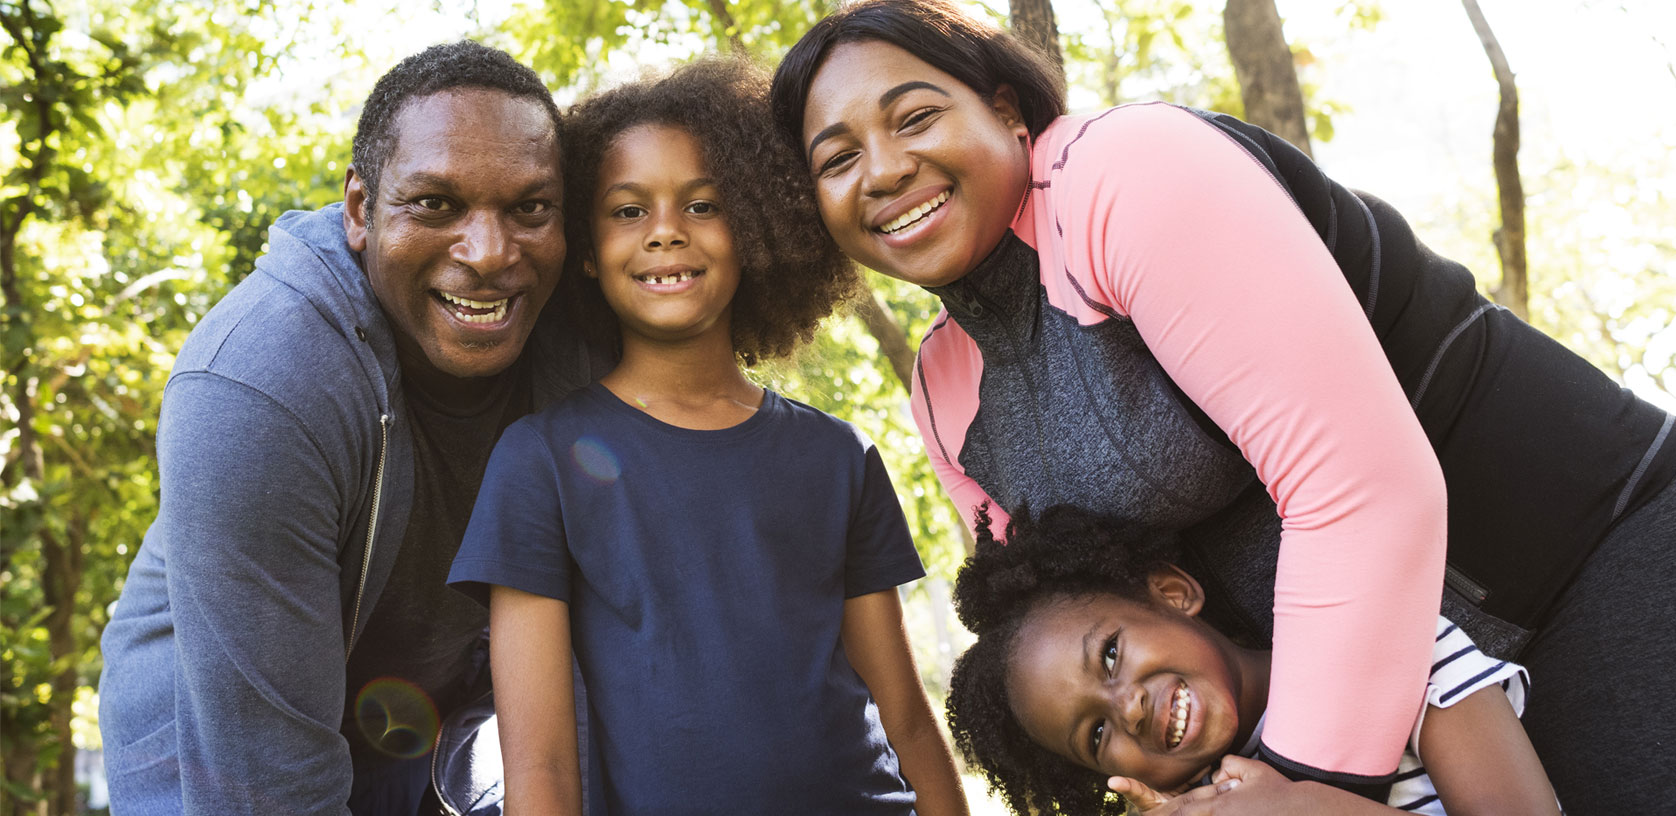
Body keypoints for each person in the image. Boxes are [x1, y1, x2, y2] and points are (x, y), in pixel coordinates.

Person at [768, 1, 1676, 811]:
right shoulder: (944, 387)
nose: (883, 170)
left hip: (1576, 569)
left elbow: (1360, 488)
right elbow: (1053, 634)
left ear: (1006, 108)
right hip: (1374, 740)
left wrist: (1301, 792)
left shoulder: (1123, 173)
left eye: (916, 116)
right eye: (837, 159)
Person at [444, 58, 968, 816]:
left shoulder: (837, 456)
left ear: (751, 227)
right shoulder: (541, 462)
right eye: (628, 211)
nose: (665, 232)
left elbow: (908, 718)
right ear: (587, 250)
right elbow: (543, 768)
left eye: (701, 205)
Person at [97, 41, 605, 815]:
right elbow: (268, 788)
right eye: (435, 204)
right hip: (212, 744)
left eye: (529, 208)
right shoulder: (260, 382)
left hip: (420, 720)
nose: (489, 254)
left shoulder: (585, 336)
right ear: (362, 212)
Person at [945, 503, 1561, 816]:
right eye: (1096, 733)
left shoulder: (1385, 645)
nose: (1126, 707)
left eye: (1110, 654)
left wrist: (1300, 808)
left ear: (1172, 593)